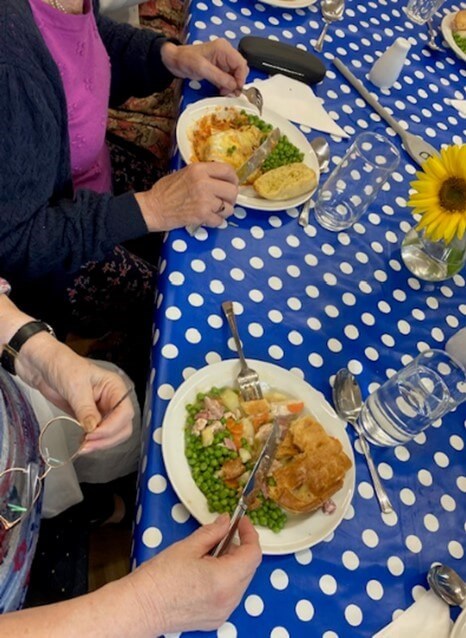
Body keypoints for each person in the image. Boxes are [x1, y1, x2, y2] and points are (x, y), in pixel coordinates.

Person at [0, 0, 248, 396]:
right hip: (48, 259)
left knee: (213, 231)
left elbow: (88, 38)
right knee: (188, 305)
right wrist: (151, 208)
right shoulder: (9, 65)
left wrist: (170, 56)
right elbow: (15, 243)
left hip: (89, 179)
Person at [0, 280, 262, 631]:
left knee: (82, 481)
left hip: (22, 441)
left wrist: (31, 350)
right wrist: (148, 605)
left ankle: (99, 508)